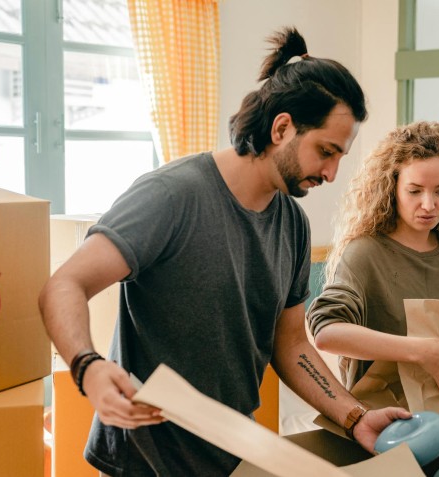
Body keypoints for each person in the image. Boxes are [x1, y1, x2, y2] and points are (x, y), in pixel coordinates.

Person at [39, 27, 410, 477]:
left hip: (230, 455)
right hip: (143, 463)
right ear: (281, 128)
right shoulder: (172, 198)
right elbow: (65, 284)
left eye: (339, 157)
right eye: (325, 151)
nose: (332, 173)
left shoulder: (292, 224)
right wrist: (88, 368)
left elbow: (290, 342)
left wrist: (355, 417)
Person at [307, 121, 439, 402]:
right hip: (385, 428)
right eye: (415, 191)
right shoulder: (365, 254)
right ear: (391, 188)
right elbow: (327, 333)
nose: (429, 205)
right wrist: (420, 352)